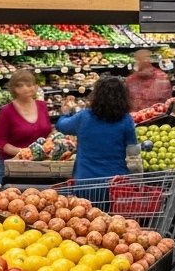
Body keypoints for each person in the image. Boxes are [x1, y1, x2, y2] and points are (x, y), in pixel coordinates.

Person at [57, 77, 140, 207]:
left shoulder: (84, 117)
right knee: (113, 223)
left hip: (85, 182)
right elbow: (133, 151)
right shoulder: (126, 120)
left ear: (96, 96)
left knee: (86, 222)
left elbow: (62, 126)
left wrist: (66, 113)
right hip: (115, 184)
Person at [0, 68, 51, 187]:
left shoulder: (42, 106)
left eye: (29, 85)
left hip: (41, 169)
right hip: (13, 170)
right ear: (13, 89)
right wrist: (24, 153)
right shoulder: (7, 111)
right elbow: (1, 142)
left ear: (35, 87)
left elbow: (47, 132)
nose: (25, 88)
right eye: (20, 86)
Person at [125, 49, 174, 113]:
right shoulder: (130, 80)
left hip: (157, 118)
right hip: (136, 119)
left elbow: (168, 103)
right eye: (139, 60)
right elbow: (127, 102)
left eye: (145, 58)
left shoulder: (161, 78)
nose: (143, 61)